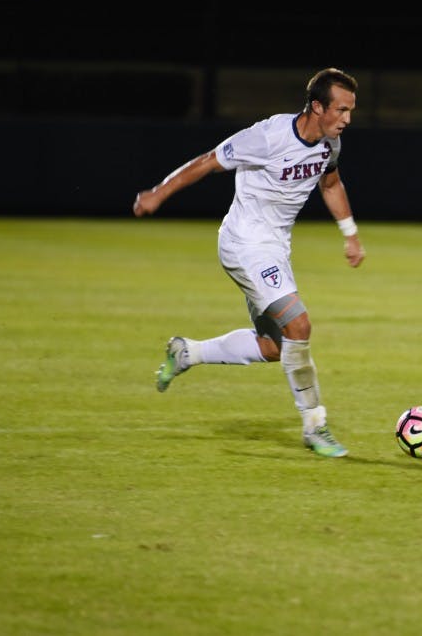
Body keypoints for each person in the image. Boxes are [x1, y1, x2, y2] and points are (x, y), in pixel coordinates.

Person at [132, 67, 366, 458]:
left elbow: (331, 183)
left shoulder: (329, 144)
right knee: (300, 324)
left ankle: (187, 352)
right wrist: (158, 193)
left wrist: (350, 233)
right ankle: (315, 425)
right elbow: (208, 161)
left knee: (275, 346)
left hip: (274, 250)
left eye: (351, 111)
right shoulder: (268, 136)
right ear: (316, 106)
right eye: (340, 110)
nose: (347, 120)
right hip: (244, 245)